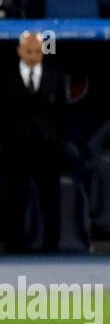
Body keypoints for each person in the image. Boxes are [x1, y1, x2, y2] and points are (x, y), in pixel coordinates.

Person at [1, 33, 66, 254]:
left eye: (37, 51)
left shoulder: (54, 77)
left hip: (47, 146)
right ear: (20, 52)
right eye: (28, 51)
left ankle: (51, 246)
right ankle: (14, 245)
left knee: (50, 197)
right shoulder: (7, 79)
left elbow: (62, 113)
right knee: (15, 196)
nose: (33, 56)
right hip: (16, 146)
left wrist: (56, 139)